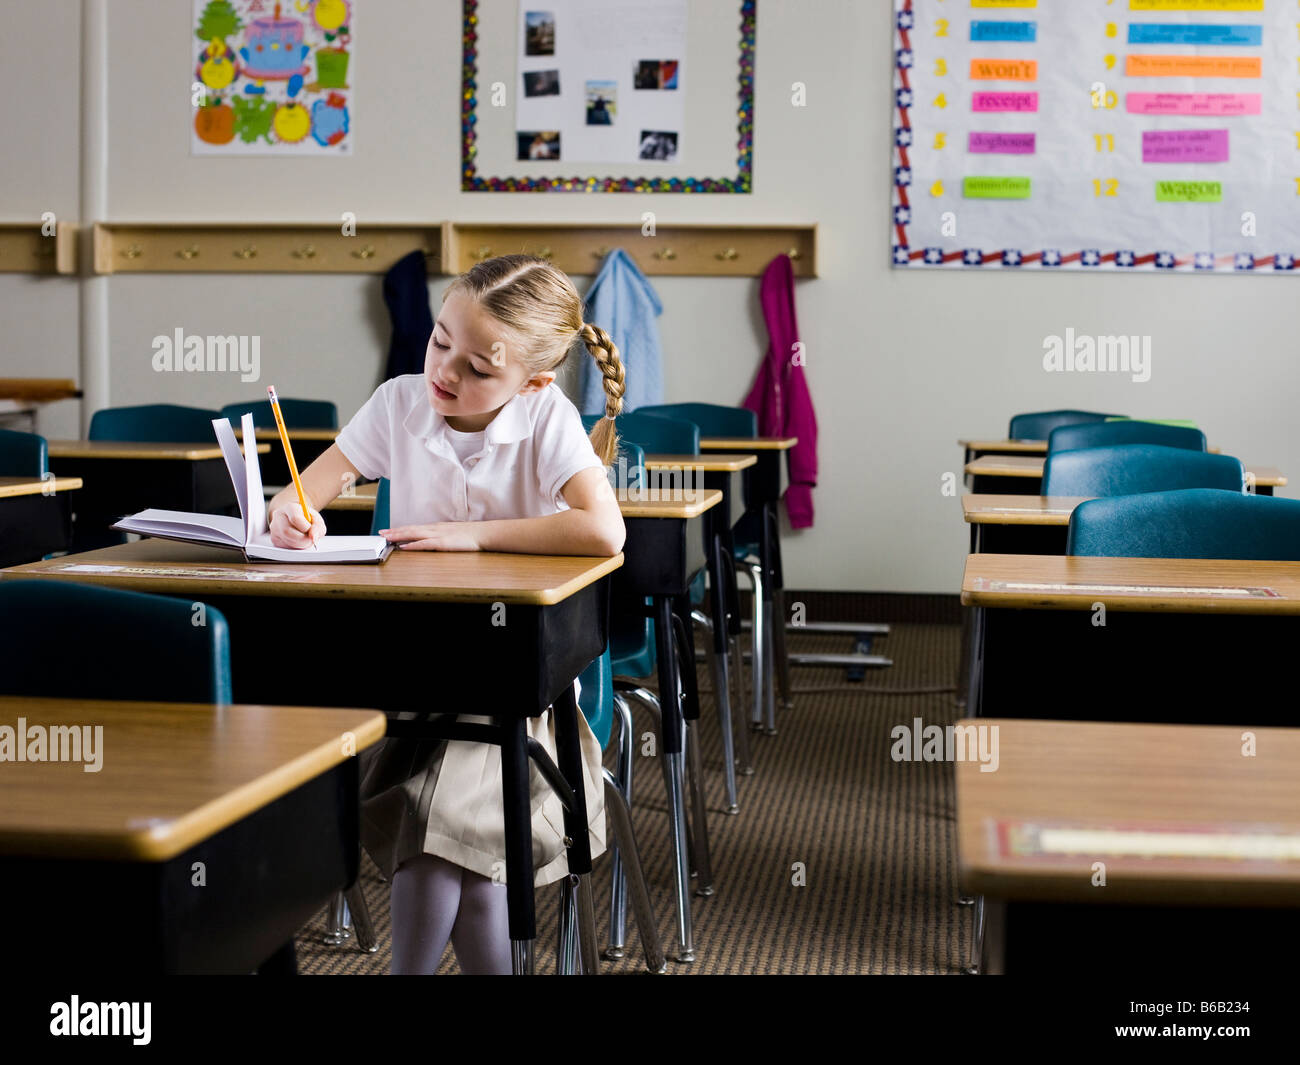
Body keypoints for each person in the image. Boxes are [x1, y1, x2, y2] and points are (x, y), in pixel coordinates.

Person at [267, 254, 627, 973]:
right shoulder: (400, 402)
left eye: (477, 367)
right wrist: (290, 514)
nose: (446, 373)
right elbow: (303, 492)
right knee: (473, 863)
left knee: (437, 826)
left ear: (532, 381)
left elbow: (604, 530)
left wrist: (474, 533)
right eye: (439, 343)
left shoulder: (544, 418)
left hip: (518, 690)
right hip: (417, 672)